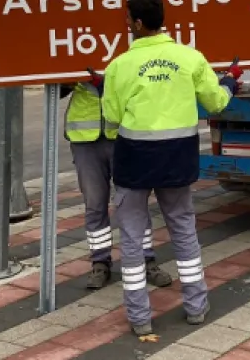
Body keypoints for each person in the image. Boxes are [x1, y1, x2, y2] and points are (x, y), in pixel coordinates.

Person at [102, 0, 242, 336]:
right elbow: (217, 102)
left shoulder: (119, 65)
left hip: (134, 160)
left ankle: (139, 317)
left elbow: (111, 116)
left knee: (133, 237)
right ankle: (196, 306)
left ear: (137, 24)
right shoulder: (190, 57)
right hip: (177, 158)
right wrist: (231, 80)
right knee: (183, 229)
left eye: (127, 20)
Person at [60, 71, 173, 291]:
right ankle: (100, 263)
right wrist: (67, 79)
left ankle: (146, 260)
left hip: (123, 137)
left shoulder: (125, 49)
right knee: (94, 205)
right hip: (85, 140)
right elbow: (55, 88)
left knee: (134, 204)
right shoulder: (76, 45)